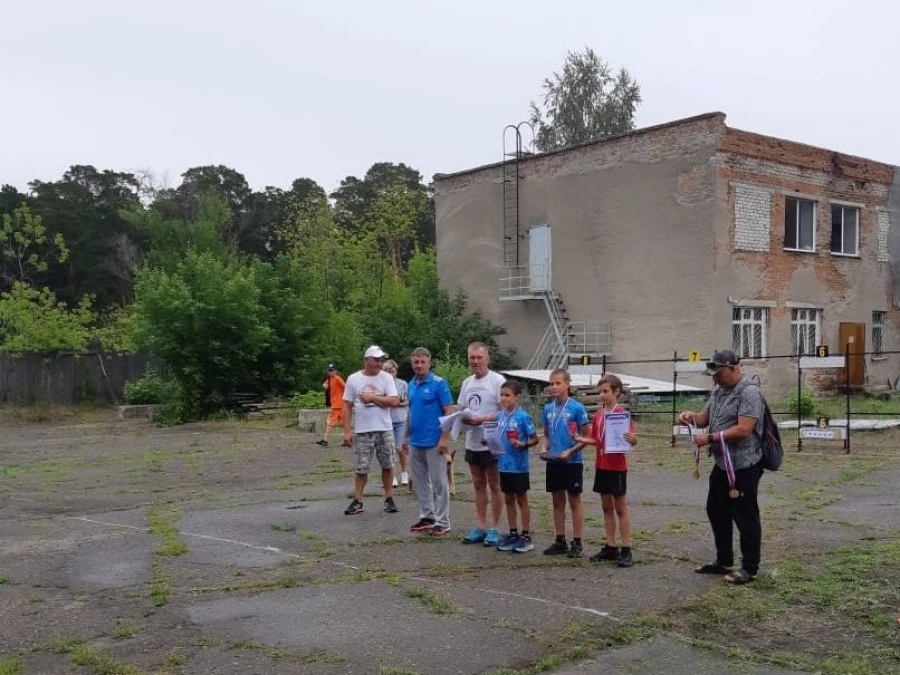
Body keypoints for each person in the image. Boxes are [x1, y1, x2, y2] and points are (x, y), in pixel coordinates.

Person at [677, 349, 766, 585]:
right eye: (713, 375)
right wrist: (690, 417)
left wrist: (712, 438)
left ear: (734, 368)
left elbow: (744, 430)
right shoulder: (719, 391)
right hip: (721, 463)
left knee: (745, 515)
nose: (715, 379)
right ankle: (724, 560)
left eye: (719, 374)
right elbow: (705, 418)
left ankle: (750, 567)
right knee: (716, 509)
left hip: (744, 465)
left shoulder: (749, 393)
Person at [575, 374, 637, 567]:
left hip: (617, 467)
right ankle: (611, 546)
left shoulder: (621, 415)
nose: (601, 395)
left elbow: (632, 439)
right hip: (601, 465)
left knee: (620, 508)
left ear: (616, 392)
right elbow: (596, 439)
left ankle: (626, 549)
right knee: (606, 508)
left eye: (605, 391)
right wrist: (580, 439)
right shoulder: (600, 415)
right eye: (600, 391)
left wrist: (632, 440)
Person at [402, 347, 455, 537]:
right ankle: (427, 516)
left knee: (439, 483)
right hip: (416, 441)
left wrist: (444, 439)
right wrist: (405, 437)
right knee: (421, 482)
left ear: (429, 363)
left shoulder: (439, 384)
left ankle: (443, 521)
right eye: (415, 362)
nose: (419, 365)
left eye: (422, 362)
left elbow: (449, 412)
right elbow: (411, 413)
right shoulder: (411, 385)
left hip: (434, 441)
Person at [539, 368, 591, 558]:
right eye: (551, 383)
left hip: (572, 461)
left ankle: (577, 541)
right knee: (557, 501)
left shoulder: (576, 408)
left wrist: (571, 451)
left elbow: (587, 436)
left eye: (558, 383)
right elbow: (546, 435)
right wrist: (543, 448)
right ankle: (560, 540)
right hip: (554, 461)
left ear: (567, 384)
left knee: (574, 500)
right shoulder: (547, 408)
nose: (553, 387)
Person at [342, 346, 400, 515]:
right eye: (376, 359)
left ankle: (389, 498)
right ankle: (358, 500)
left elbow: (395, 401)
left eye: (381, 359)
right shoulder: (354, 379)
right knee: (362, 467)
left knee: (388, 465)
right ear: (366, 359)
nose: (379, 363)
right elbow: (346, 405)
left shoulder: (387, 378)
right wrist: (347, 430)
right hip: (363, 430)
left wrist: (372, 398)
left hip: (384, 427)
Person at [458, 342, 507, 546]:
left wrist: (484, 419)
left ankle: (495, 528)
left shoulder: (497, 381)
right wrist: (461, 419)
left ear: (487, 358)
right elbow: (462, 407)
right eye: (472, 358)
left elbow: (505, 408)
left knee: (495, 484)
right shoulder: (467, 383)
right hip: (472, 441)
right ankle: (480, 525)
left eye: (479, 357)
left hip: (492, 440)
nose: (475, 361)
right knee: (478, 484)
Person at [495, 380, 539, 553]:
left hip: (518, 466)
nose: (504, 399)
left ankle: (526, 535)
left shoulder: (523, 417)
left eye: (507, 395)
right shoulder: (499, 416)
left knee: (521, 499)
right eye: (502, 395)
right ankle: (513, 533)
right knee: (508, 499)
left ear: (517, 397)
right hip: (503, 465)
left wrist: (524, 444)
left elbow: (535, 439)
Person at [382, 359, 410, 487]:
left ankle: (404, 472)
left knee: (400, 448)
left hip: (400, 419)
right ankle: (392, 476)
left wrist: (397, 403)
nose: (391, 374)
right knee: (389, 450)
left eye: (393, 371)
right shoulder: (381, 384)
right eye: (388, 371)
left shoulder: (402, 384)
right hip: (386, 420)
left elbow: (408, 401)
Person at [315, 364, 345, 446]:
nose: (330, 372)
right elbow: (325, 385)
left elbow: (345, 387)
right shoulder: (329, 379)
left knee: (330, 423)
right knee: (345, 423)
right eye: (329, 370)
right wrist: (325, 386)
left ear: (335, 371)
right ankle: (348, 440)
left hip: (338, 404)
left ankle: (325, 440)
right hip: (337, 404)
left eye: (332, 370)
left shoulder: (338, 378)